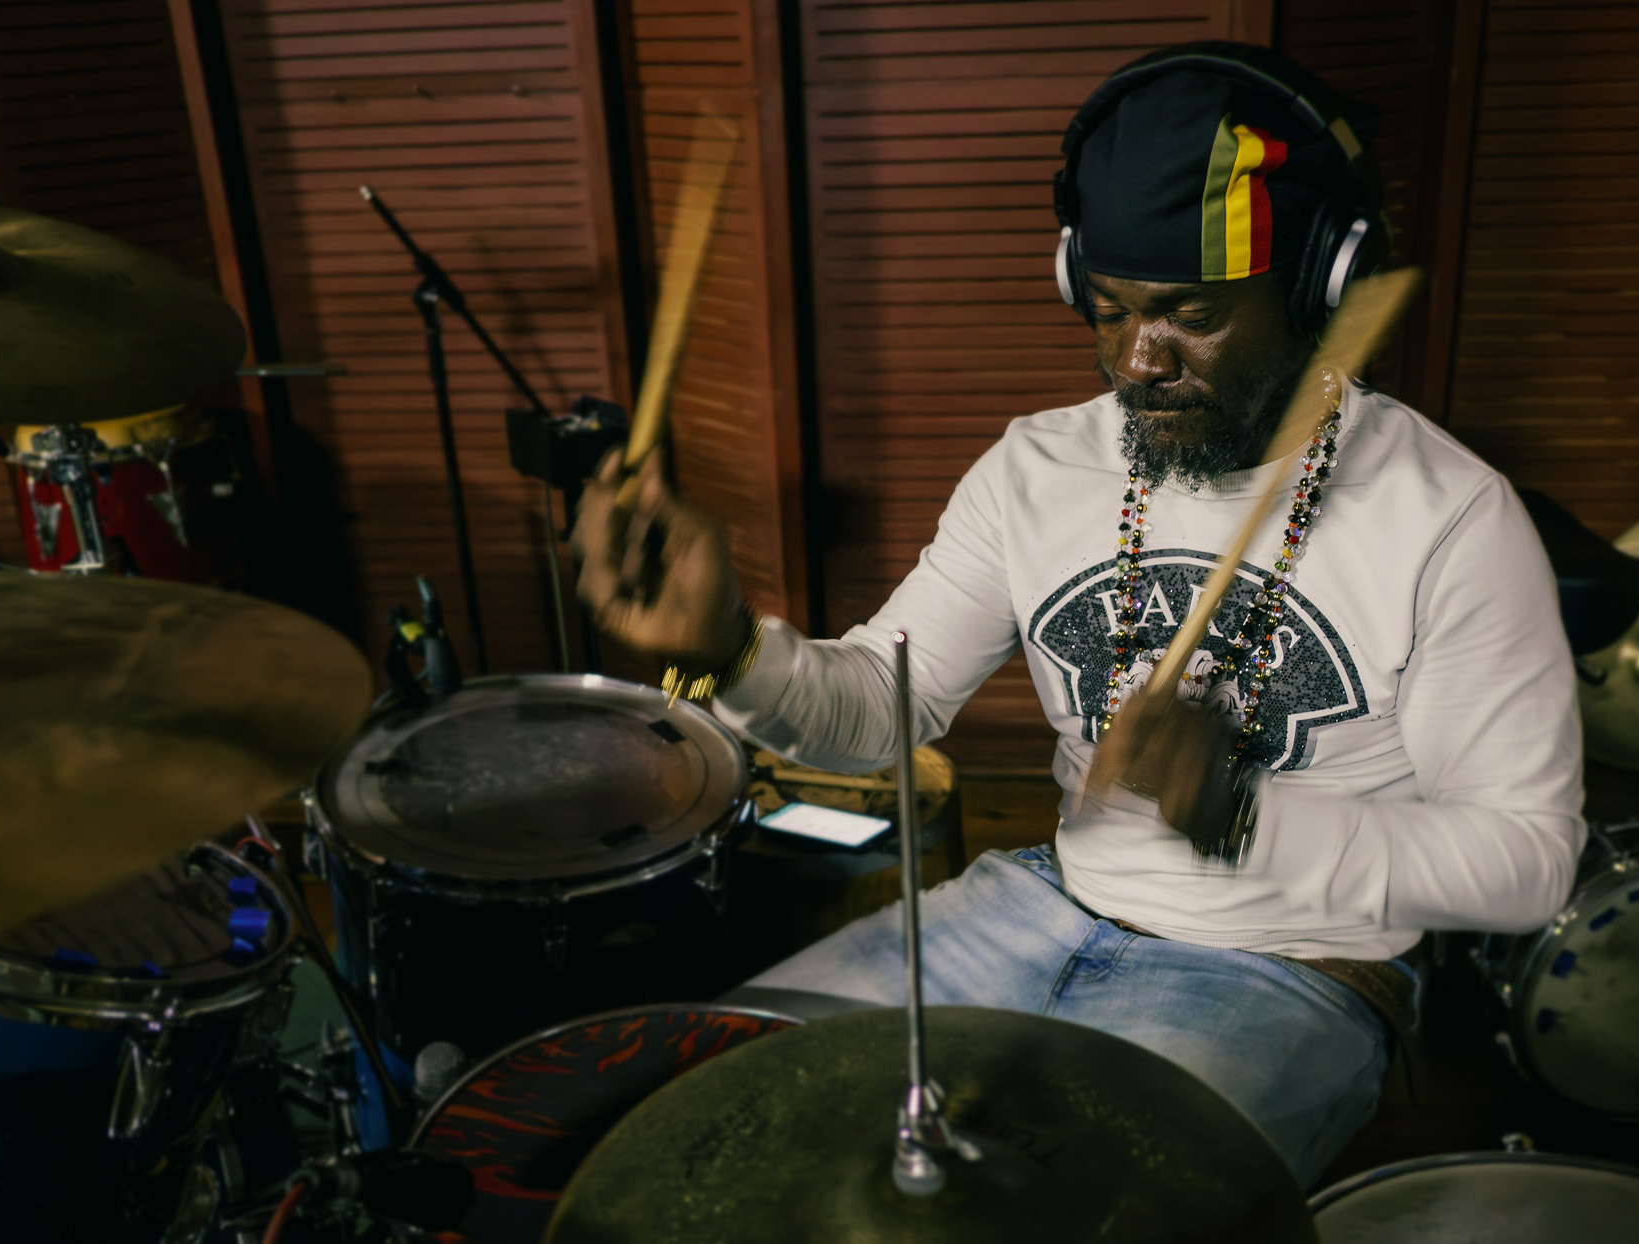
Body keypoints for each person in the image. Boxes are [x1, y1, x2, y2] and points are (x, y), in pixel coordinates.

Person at [571, 42, 1583, 1187]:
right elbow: (878, 712)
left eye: (1188, 313)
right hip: (1040, 903)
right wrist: (730, 646)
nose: (1139, 361)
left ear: (1318, 287)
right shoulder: (1036, 468)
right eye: (1106, 311)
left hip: (1295, 965)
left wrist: (1244, 816)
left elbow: (1527, 863)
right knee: (701, 1121)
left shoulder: (1449, 515)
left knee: (1084, 1208)